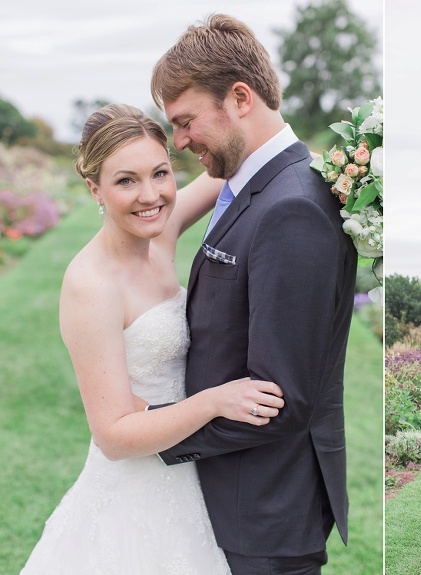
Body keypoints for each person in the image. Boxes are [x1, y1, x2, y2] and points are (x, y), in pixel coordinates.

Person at [20, 103, 286, 574]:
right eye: (126, 181)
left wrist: (344, 163)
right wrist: (214, 401)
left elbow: (244, 160)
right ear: (94, 189)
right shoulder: (92, 285)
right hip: (135, 494)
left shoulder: (157, 234)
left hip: (193, 472)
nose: (150, 195)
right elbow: (113, 435)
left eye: (160, 173)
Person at [148, 13, 358, 575]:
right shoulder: (257, 182)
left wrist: (152, 436)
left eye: (186, 121)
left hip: (262, 516)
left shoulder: (292, 209)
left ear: (240, 98)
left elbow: (278, 400)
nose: (179, 142)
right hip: (238, 503)